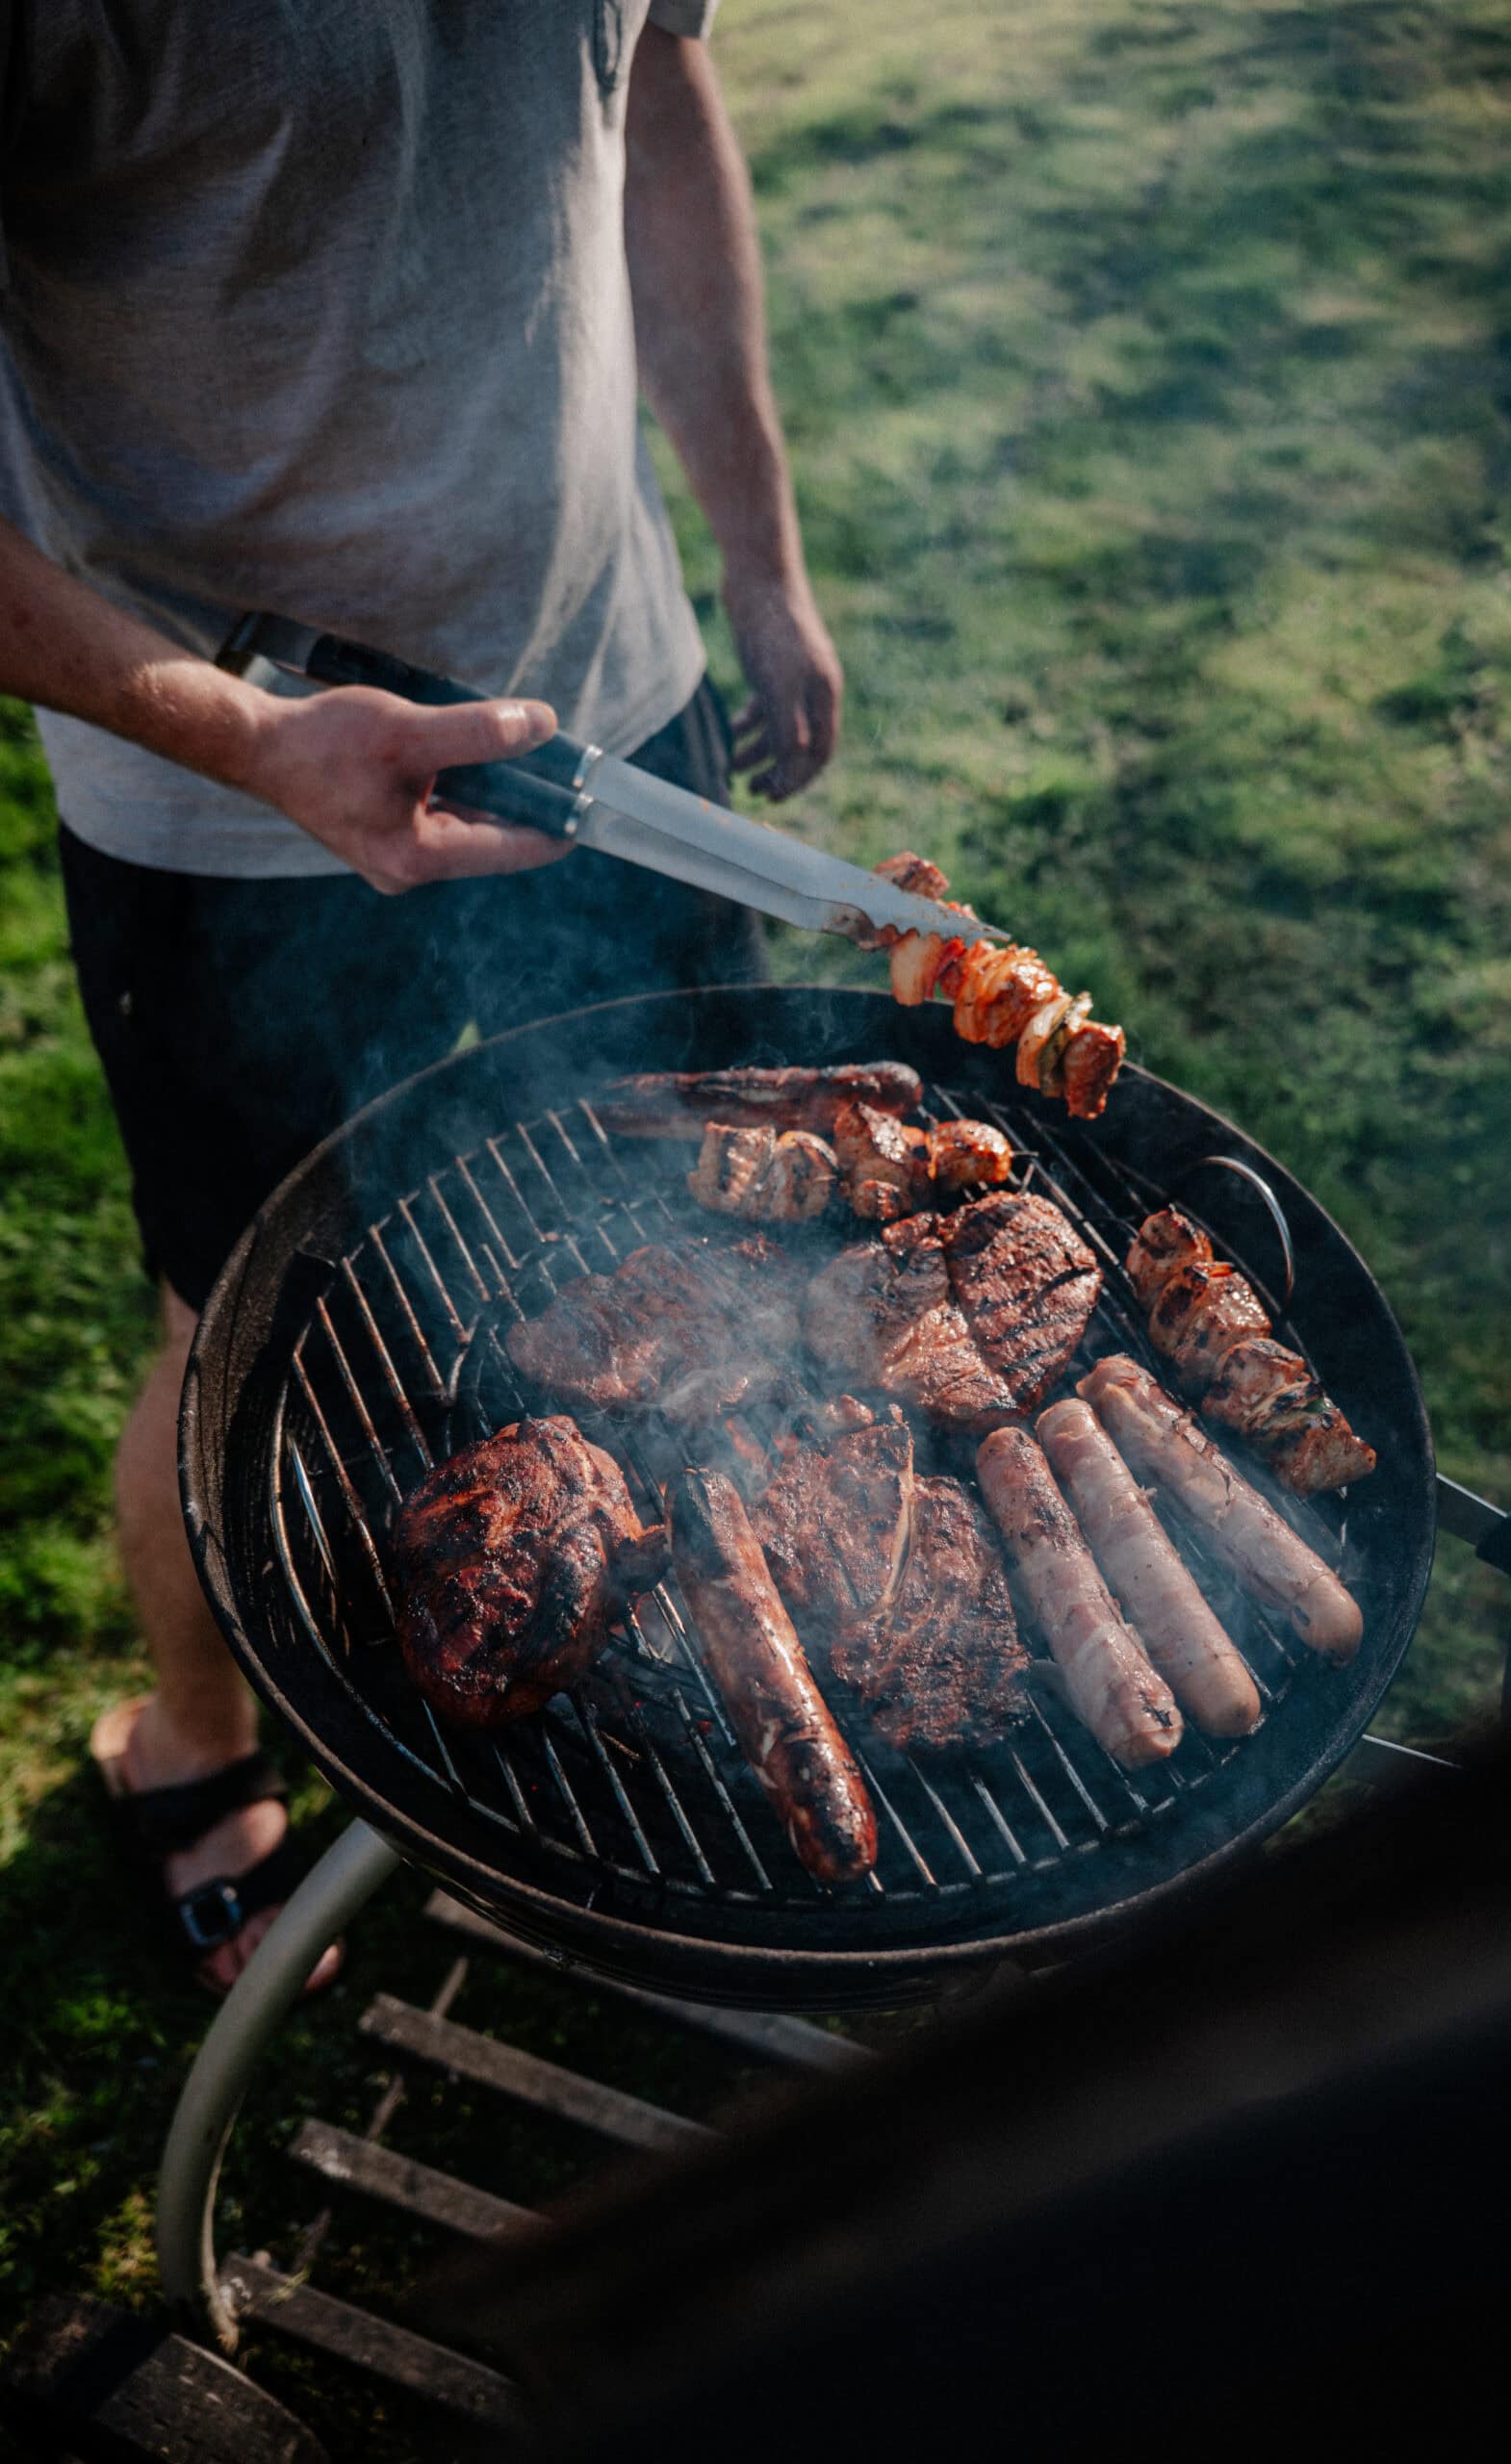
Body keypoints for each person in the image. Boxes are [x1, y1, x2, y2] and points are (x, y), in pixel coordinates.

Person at [0, 3, 843, 1992]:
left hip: (607, 695)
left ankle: (742, 1622)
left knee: (725, 1202)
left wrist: (758, 553)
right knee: (236, 1313)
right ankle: (192, 1738)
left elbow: (656, 104)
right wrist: (243, 737)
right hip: (227, 775)